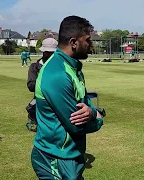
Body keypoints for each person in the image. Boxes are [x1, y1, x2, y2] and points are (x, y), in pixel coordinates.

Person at [31, 15, 104, 179]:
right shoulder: (57, 73)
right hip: (55, 157)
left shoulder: (73, 68)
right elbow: (76, 125)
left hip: (70, 155)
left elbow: (84, 103)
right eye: (87, 40)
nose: (90, 44)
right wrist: (97, 118)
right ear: (73, 42)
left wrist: (91, 112)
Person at [25, 38, 58, 132]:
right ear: (43, 52)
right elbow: (31, 86)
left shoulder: (62, 67)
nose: (50, 55)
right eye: (48, 52)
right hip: (41, 101)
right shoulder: (35, 67)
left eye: (52, 52)